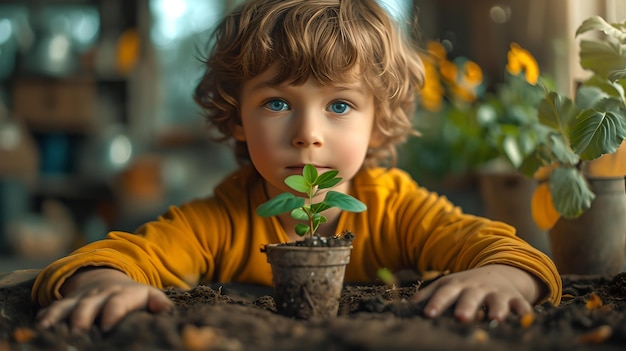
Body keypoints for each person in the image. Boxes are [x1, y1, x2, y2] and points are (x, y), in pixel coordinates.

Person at [33, 0, 562, 333]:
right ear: (237, 117)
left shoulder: (395, 207)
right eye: (278, 103)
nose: (308, 132)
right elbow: (112, 257)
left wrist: (502, 278)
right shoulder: (223, 219)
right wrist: (103, 282)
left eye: (339, 106)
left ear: (377, 126)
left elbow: (513, 255)